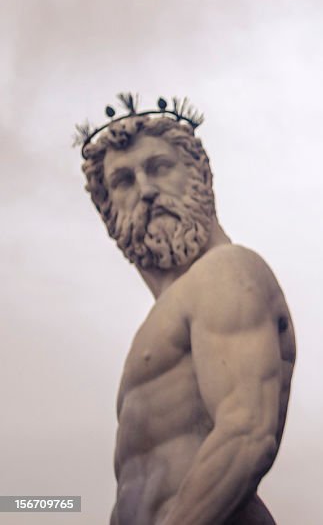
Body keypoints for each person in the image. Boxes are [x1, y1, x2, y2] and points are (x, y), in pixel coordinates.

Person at [79, 103, 295, 525]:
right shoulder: (163, 317)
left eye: (158, 167)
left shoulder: (226, 272)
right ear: (108, 213)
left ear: (201, 177)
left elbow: (246, 434)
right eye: (124, 180)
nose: (145, 190)